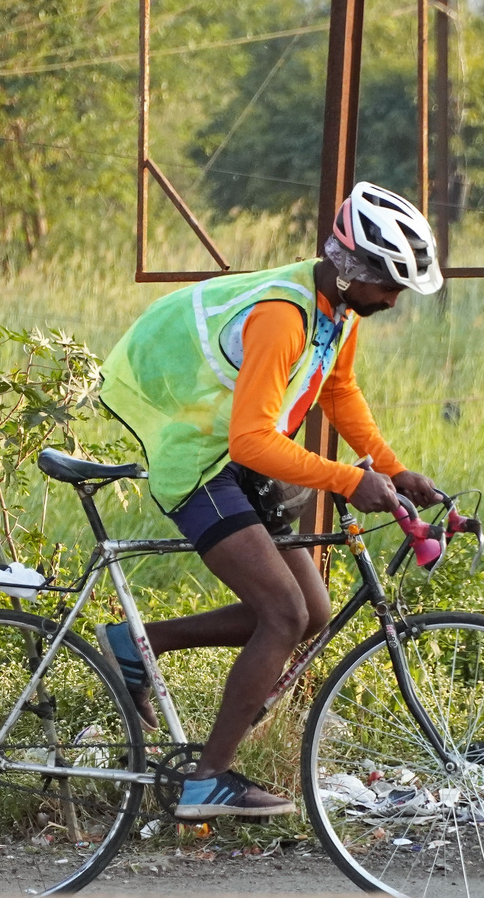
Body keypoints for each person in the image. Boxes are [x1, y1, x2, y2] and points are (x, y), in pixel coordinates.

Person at [97, 182, 444, 820]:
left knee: (312, 612)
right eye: (389, 285)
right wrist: (346, 479)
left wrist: (394, 471)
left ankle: (133, 644)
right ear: (351, 272)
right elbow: (252, 439)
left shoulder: (337, 311)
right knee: (282, 614)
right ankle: (208, 780)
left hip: (235, 458)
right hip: (196, 459)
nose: (394, 299)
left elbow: (338, 392)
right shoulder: (284, 317)